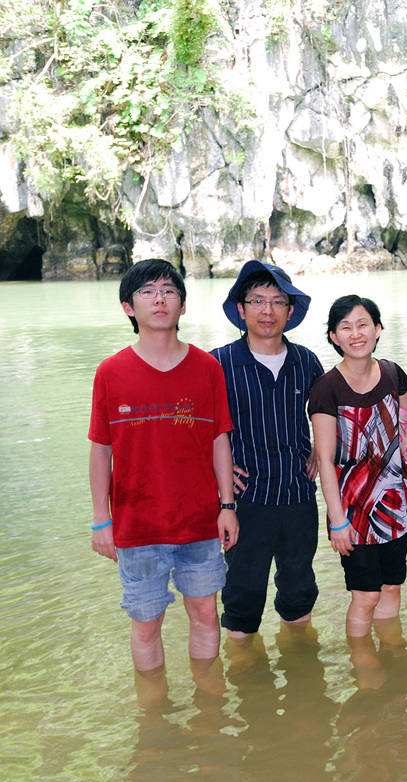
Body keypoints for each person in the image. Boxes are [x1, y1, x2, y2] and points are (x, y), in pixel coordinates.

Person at [88, 259, 239, 674]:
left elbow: (219, 440)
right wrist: (101, 519)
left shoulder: (207, 367)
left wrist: (227, 506)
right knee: (145, 625)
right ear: (128, 307)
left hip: (200, 519)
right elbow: (101, 449)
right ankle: (154, 710)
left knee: (205, 614)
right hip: (136, 524)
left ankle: (209, 702)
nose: (159, 299)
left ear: (182, 306)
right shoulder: (110, 372)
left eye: (169, 291)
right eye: (148, 292)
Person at [211, 261, 325, 640]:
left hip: (298, 497)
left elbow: (330, 413)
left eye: (277, 301)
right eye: (257, 301)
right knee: (241, 601)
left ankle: (301, 665)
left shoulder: (306, 361)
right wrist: (213, 472)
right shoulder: (218, 363)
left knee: (299, 593)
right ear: (241, 309)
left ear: (290, 312)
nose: (267, 310)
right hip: (246, 501)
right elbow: (193, 427)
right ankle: (246, 669)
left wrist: (320, 448)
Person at [309, 295, 407, 638]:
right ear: (334, 337)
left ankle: (390, 651)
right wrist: (337, 520)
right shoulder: (326, 387)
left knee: (392, 586)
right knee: (365, 595)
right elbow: (325, 460)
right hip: (352, 507)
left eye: (363, 325)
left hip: (394, 500)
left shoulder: (392, 372)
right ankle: (363, 662)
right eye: (346, 327)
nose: (356, 334)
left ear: (378, 329)